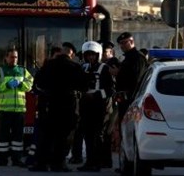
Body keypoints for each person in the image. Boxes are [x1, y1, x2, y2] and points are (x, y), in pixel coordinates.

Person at [29, 42, 86, 172]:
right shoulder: (74, 67)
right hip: (67, 107)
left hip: (49, 106)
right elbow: (83, 86)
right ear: (71, 53)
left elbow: (38, 83)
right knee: (63, 137)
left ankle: (41, 163)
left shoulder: (48, 65)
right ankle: (58, 164)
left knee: (46, 136)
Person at [0, 47, 33, 167]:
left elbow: (30, 84)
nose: (14, 59)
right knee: (3, 136)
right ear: (6, 58)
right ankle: (2, 159)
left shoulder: (22, 71)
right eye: (11, 57)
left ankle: (17, 159)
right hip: (4, 109)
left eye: (16, 57)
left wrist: (21, 84)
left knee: (18, 137)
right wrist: (7, 85)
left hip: (19, 109)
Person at [77, 41, 115, 172]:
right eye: (88, 55)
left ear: (97, 55)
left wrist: (96, 96)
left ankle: (97, 162)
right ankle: (89, 161)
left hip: (100, 106)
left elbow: (110, 89)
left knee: (98, 135)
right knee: (87, 134)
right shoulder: (84, 68)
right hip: (86, 106)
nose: (90, 57)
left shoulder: (104, 68)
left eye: (93, 55)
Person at [114, 32, 148, 120]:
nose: (122, 46)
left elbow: (137, 80)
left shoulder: (137, 58)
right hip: (124, 99)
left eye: (125, 42)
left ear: (132, 41)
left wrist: (133, 101)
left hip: (132, 100)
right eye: (120, 43)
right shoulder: (127, 58)